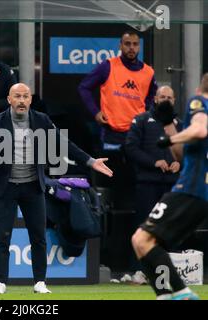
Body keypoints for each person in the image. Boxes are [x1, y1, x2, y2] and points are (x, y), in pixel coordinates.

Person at [0, 83, 113, 294]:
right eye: (17, 96)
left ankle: (40, 282)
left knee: (38, 237)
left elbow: (62, 143)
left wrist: (90, 161)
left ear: (30, 100)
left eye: (25, 96)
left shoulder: (42, 120)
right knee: (1, 237)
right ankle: (0, 282)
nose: (22, 100)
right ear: (9, 99)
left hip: (33, 187)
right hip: (5, 188)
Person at [131, 73, 208, 300]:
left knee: (141, 239)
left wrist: (169, 140)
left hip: (190, 188)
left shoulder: (199, 102)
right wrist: (169, 128)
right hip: (200, 194)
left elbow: (199, 130)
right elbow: (186, 156)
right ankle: (165, 295)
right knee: (148, 243)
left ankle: (183, 294)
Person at [78, 30, 157, 210]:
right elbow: (84, 87)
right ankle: (108, 220)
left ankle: (135, 219)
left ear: (139, 46)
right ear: (120, 45)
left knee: (136, 180)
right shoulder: (108, 66)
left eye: (135, 44)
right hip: (112, 133)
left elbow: (152, 98)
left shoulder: (148, 72)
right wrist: (96, 112)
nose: (131, 48)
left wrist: (146, 116)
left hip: (137, 134)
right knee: (110, 179)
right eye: (127, 44)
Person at [125, 86, 183, 273]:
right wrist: (154, 162)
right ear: (155, 99)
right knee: (144, 227)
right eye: (162, 96)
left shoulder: (179, 124)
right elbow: (131, 148)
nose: (166, 100)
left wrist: (179, 163)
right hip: (147, 183)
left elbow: (190, 152)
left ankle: (171, 270)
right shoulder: (141, 120)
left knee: (172, 228)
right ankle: (138, 270)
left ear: (174, 101)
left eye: (169, 97)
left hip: (172, 185)